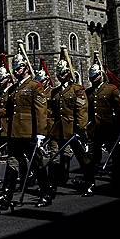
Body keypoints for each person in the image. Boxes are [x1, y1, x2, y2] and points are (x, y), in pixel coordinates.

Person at [0, 53, 49, 207]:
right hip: (15, 133)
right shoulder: (14, 88)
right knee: (12, 162)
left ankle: (45, 193)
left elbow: (41, 111)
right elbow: (8, 110)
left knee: (36, 163)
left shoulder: (35, 86)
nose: (16, 71)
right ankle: (6, 195)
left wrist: (41, 133)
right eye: (14, 68)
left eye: (19, 68)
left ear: (26, 68)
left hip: (30, 132)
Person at [46, 56, 90, 197]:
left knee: (81, 157)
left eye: (64, 73)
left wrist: (80, 128)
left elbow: (81, 110)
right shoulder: (55, 92)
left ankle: (89, 183)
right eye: (59, 74)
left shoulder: (77, 89)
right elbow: (51, 111)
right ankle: (51, 186)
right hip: (58, 130)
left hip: (73, 129)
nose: (62, 76)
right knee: (54, 157)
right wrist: (51, 127)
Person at [84, 61, 120, 196]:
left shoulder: (111, 89)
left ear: (100, 75)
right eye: (91, 77)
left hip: (109, 127)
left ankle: (117, 180)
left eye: (95, 76)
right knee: (92, 158)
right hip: (95, 129)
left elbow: (119, 110)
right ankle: (90, 183)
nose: (93, 79)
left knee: (115, 155)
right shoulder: (88, 92)